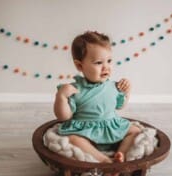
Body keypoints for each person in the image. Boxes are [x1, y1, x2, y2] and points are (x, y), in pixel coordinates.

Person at [54, 31, 141, 163]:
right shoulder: (74, 89)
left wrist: (127, 92)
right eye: (99, 62)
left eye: (109, 61)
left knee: (135, 131)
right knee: (73, 139)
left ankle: (120, 154)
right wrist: (61, 97)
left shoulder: (114, 86)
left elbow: (120, 106)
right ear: (80, 66)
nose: (106, 67)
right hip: (85, 131)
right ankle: (103, 160)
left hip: (111, 127)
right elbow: (63, 117)